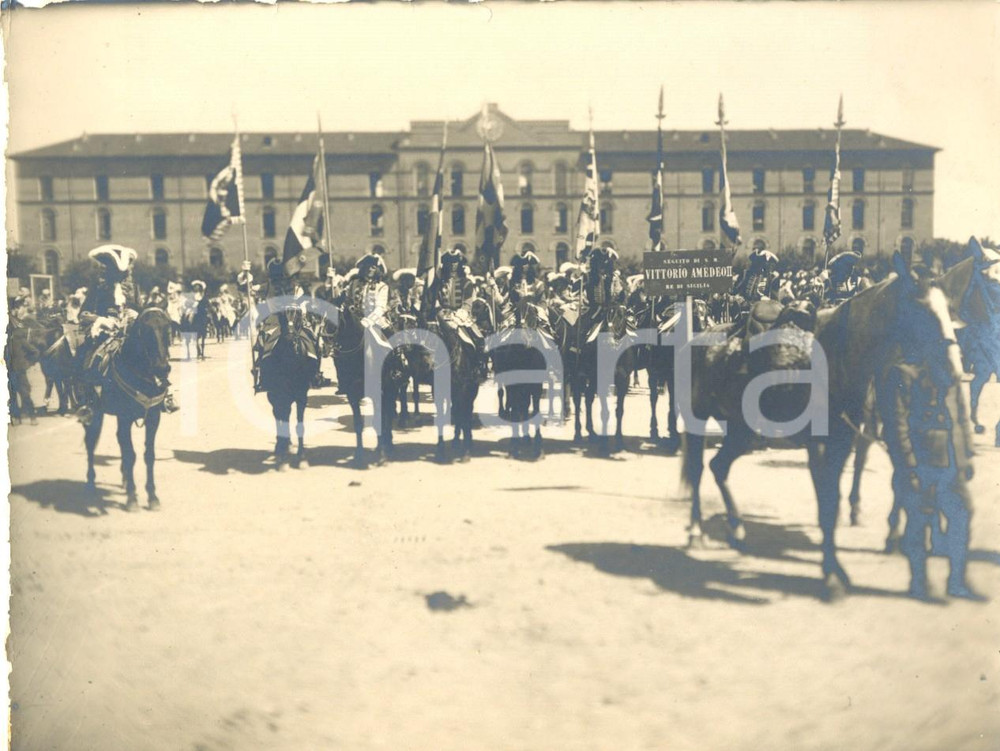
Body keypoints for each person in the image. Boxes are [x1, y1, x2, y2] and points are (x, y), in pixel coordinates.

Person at [876, 345, 980, 600]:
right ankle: (919, 582)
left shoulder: (950, 372)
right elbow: (898, 424)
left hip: (951, 462)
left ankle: (957, 582)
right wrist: (908, 465)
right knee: (918, 522)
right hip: (920, 462)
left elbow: (961, 416)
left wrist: (966, 454)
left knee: (961, 516)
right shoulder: (902, 374)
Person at [5, 297, 41, 425]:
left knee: (25, 394)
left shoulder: (18, 339)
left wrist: (28, 363)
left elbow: (35, 352)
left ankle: (32, 416)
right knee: (12, 395)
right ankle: (16, 417)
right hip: (9, 371)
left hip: (19, 370)